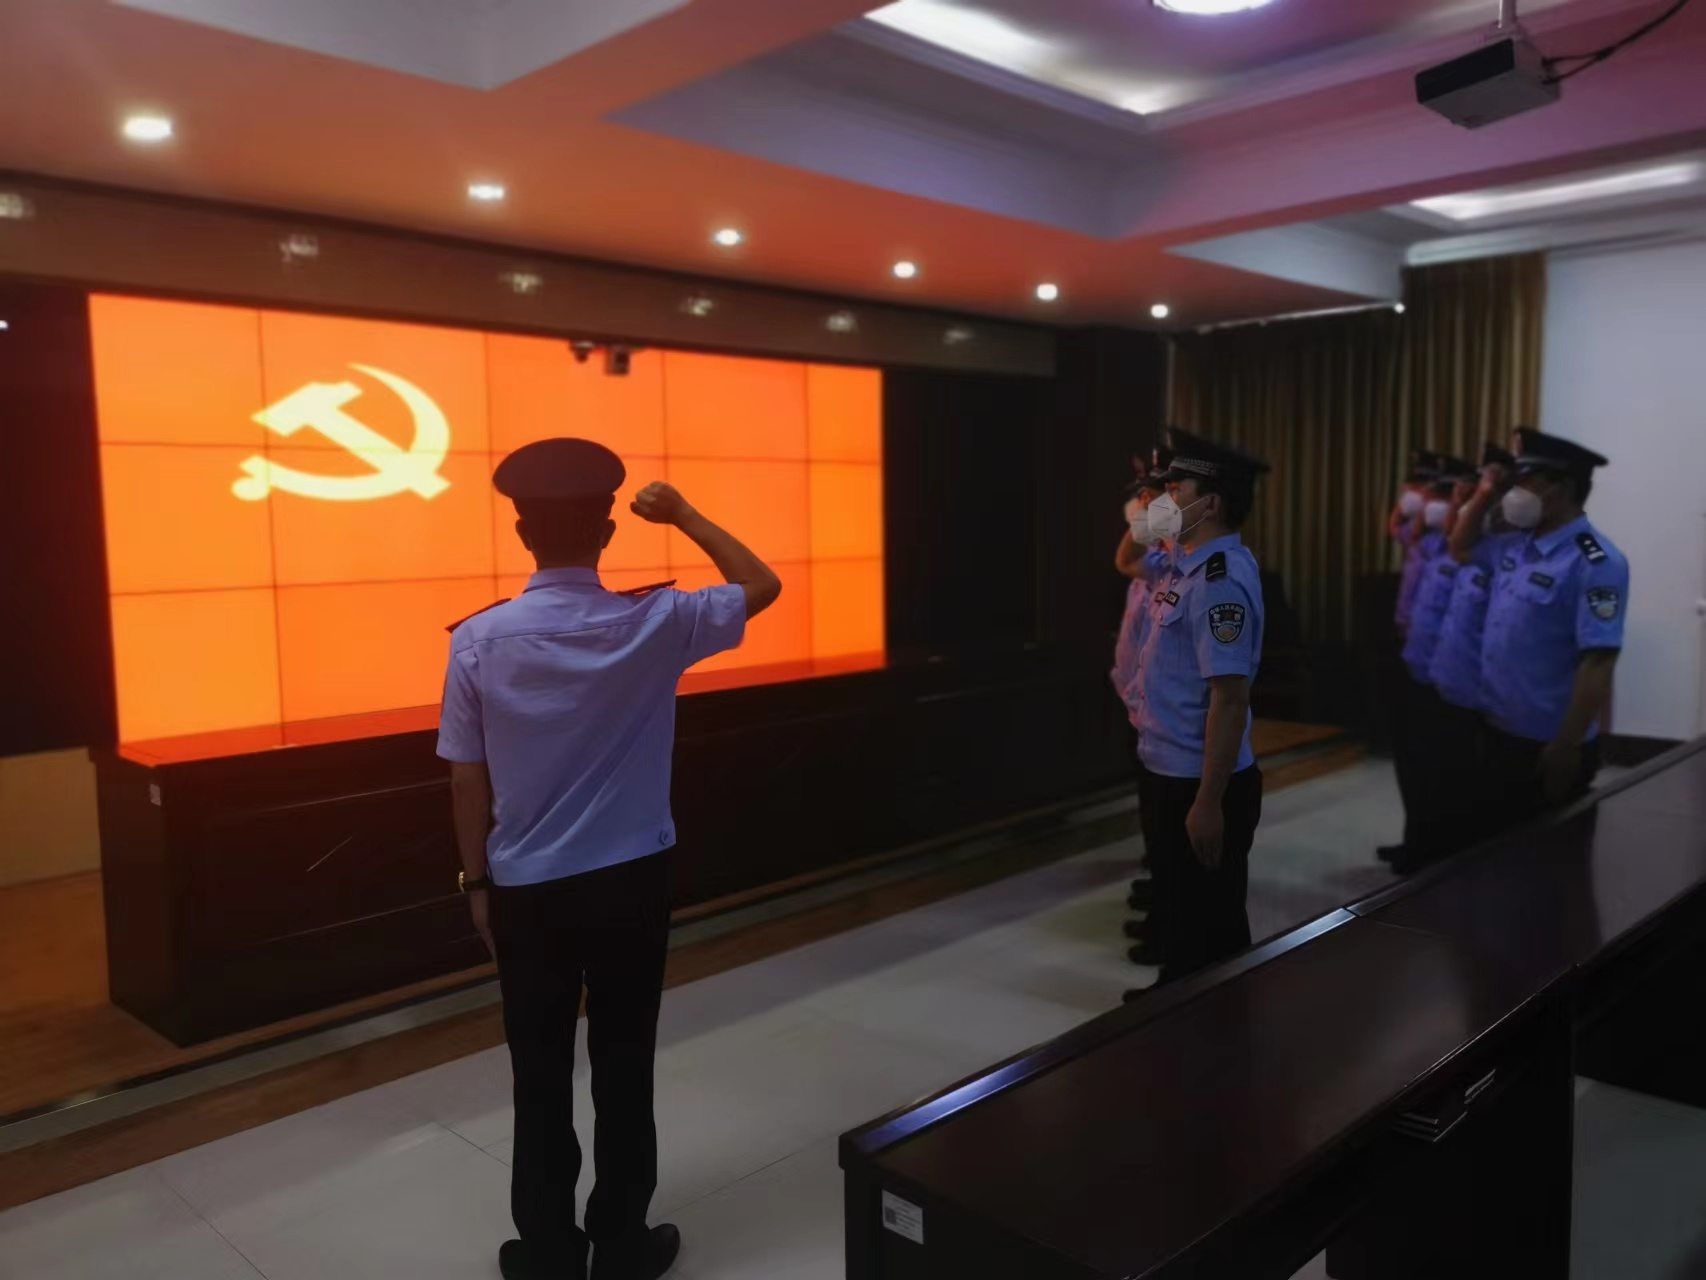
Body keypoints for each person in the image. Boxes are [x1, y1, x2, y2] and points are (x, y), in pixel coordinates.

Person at [437, 438, 782, 1280]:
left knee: (538, 1070)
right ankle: (623, 1244)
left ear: (522, 532)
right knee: (625, 1063)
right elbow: (761, 585)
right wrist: (685, 514)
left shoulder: (478, 640)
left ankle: (549, 1252)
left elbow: (466, 778)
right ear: (606, 531)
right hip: (632, 882)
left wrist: (476, 883)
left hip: (526, 889)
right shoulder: (658, 623)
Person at [1122, 430, 1269, 998]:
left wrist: (1209, 801)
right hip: (1167, 764)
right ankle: (1174, 998)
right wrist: (1149, 522)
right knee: (1181, 908)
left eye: (1176, 489)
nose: (1166, 500)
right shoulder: (1183, 565)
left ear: (1209, 503)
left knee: (1211, 920)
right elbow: (1127, 559)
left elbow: (1229, 700)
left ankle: (1214, 1024)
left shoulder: (1219, 581)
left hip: (1197, 778)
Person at [1449, 427, 1628, 831]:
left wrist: (1566, 746)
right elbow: (1459, 547)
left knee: (1548, 856)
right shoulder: (1514, 545)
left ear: (1560, 488)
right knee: (1493, 847)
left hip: (1545, 740)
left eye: (1526, 480)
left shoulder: (1596, 561)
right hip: (1495, 727)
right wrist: (1485, 497)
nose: (1515, 491)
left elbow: (1599, 661)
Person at [1416, 441, 1517, 863]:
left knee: (1467, 793)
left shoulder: (1510, 549)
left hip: (1479, 692)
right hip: (1446, 678)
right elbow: (1455, 541)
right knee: (1436, 778)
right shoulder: (1484, 544)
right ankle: (1428, 848)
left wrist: (1481, 495)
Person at [1385, 456, 1477, 874]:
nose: (1436, 503)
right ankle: (1415, 839)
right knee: (1412, 764)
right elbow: (1400, 528)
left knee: (1437, 770)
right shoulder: (1428, 542)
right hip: (1413, 661)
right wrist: (1420, 510)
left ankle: (1429, 846)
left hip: (1443, 676)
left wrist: (1456, 506)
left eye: (1447, 494)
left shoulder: (1465, 553)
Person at [1111, 447, 1174, 965]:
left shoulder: (1193, 568)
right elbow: (1126, 560)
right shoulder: (1160, 560)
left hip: (1176, 730)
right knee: (1157, 827)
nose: (1145, 501)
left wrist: (1156, 517)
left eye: (1158, 493)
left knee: (1172, 836)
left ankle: (1169, 929)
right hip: (1148, 712)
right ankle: (1161, 904)